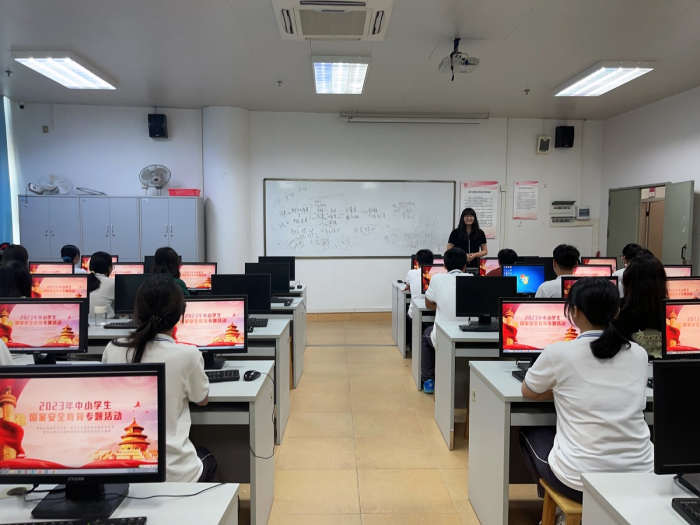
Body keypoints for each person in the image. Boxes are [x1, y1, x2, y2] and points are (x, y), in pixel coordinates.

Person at [519, 277, 653, 505]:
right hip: (641, 477)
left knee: (528, 431)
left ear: (574, 311)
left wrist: (561, 389)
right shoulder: (638, 353)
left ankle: (556, 509)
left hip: (578, 483)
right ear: (616, 312)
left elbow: (528, 391)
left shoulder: (558, 353)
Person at [102, 275, 217, 482]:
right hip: (176, 473)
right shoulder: (188, 355)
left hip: (123, 470)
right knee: (207, 456)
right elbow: (202, 399)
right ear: (180, 315)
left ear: (137, 312)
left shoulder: (113, 348)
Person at [422, 248, 470, 394]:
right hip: (468, 335)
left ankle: (428, 380)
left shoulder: (437, 279)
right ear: (465, 266)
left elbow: (428, 304)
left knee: (427, 333)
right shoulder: (472, 278)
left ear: (444, 265)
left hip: (444, 337)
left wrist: (442, 305)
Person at [613, 253, 666, 359]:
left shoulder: (616, 310)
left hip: (628, 365)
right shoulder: (669, 312)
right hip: (663, 366)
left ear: (627, 282)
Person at [88, 251, 116, 318]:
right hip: (105, 322)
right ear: (109, 267)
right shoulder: (113, 283)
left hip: (84, 323)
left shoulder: (83, 281)